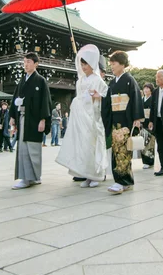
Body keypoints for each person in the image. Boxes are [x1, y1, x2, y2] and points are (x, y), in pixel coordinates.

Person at [56, 45, 108, 188]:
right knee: (83, 147)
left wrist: (96, 97)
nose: (83, 67)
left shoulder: (98, 81)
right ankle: (87, 174)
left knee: (93, 145)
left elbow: (105, 98)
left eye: (86, 63)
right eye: (82, 64)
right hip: (81, 119)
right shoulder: (80, 82)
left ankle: (96, 175)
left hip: (93, 119)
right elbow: (79, 98)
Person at [102, 51, 144, 194]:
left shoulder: (129, 80)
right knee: (116, 151)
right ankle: (120, 181)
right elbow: (107, 101)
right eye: (111, 64)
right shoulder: (113, 82)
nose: (111, 67)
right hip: (115, 120)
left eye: (113, 64)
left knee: (124, 152)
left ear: (122, 64)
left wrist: (137, 119)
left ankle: (124, 181)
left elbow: (135, 99)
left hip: (125, 121)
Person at [9, 52, 53, 190]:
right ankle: (26, 178)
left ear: (36, 64)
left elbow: (45, 101)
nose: (26, 64)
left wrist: (43, 119)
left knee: (33, 148)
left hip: (34, 120)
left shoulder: (40, 80)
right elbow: (15, 99)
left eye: (29, 61)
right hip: (22, 118)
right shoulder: (22, 80)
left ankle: (34, 177)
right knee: (23, 148)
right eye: (24, 61)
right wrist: (12, 117)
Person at [141, 83, 155, 169]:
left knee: (150, 142)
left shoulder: (153, 99)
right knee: (143, 142)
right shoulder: (142, 99)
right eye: (144, 88)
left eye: (148, 88)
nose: (146, 90)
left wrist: (152, 121)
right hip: (143, 122)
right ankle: (145, 161)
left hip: (150, 122)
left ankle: (150, 161)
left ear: (151, 90)